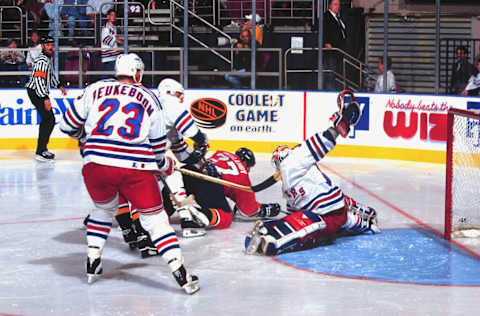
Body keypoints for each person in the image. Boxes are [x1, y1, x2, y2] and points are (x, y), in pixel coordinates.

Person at [58, 53, 199, 294]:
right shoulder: (150, 97)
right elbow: (156, 149)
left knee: (102, 209)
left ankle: (93, 260)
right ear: (137, 72)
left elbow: (66, 126)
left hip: (95, 165)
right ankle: (180, 272)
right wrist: (165, 166)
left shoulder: (94, 88)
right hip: (135, 168)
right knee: (156, 221)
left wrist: (86, 138)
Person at [245, 93, 380, 256]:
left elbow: (318, 145)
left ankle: (275, 241)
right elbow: (296, 211)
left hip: (327, 212)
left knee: (309, 222)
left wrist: (336, 128)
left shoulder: (293, 160)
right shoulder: (290, 184)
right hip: (332, 211)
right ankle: (366, 223)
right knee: (326, 219)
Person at [171, 147, 282, 238]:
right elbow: (248, 211)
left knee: (171, 197)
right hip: (208, 183)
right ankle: (197, 216)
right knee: (226, 217)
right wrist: (265, 209)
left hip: (188, 172)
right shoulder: (243, 175)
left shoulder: (222, 153)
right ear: (245, 163)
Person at [25, 35, 67, 162]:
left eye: (52, 44)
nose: (51, 47)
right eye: (48, 45)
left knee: (48, 120)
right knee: (49, 119)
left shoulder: (47, 59)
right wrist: (45, 98)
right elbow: (38, 80)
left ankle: (42, 149)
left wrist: (59, 85)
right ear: (43, 46)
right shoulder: (42, 61)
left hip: (38, 91)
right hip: (36, 91)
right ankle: (41, 151)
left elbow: (51, 75)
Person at [323, 0, 347, 91]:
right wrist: (326, 42)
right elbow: (323, 30)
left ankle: (336, 90)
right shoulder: (326, 16)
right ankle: (330, 91)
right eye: (335, 4)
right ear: (330, 6)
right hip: (331, 52)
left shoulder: (338, 18)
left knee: (337, 74)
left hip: (338, 51)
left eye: (338, 5)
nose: (338, 7)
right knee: (330, 74)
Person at [101, 9, 122, 78]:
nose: (114, 17)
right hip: (108, 56)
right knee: (108, 76)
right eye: (112, 15)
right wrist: (116, 40)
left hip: (113, 56)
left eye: (114, 15)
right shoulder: (106, 28)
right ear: (108, 16)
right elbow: (105, 39)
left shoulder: (113, 27)